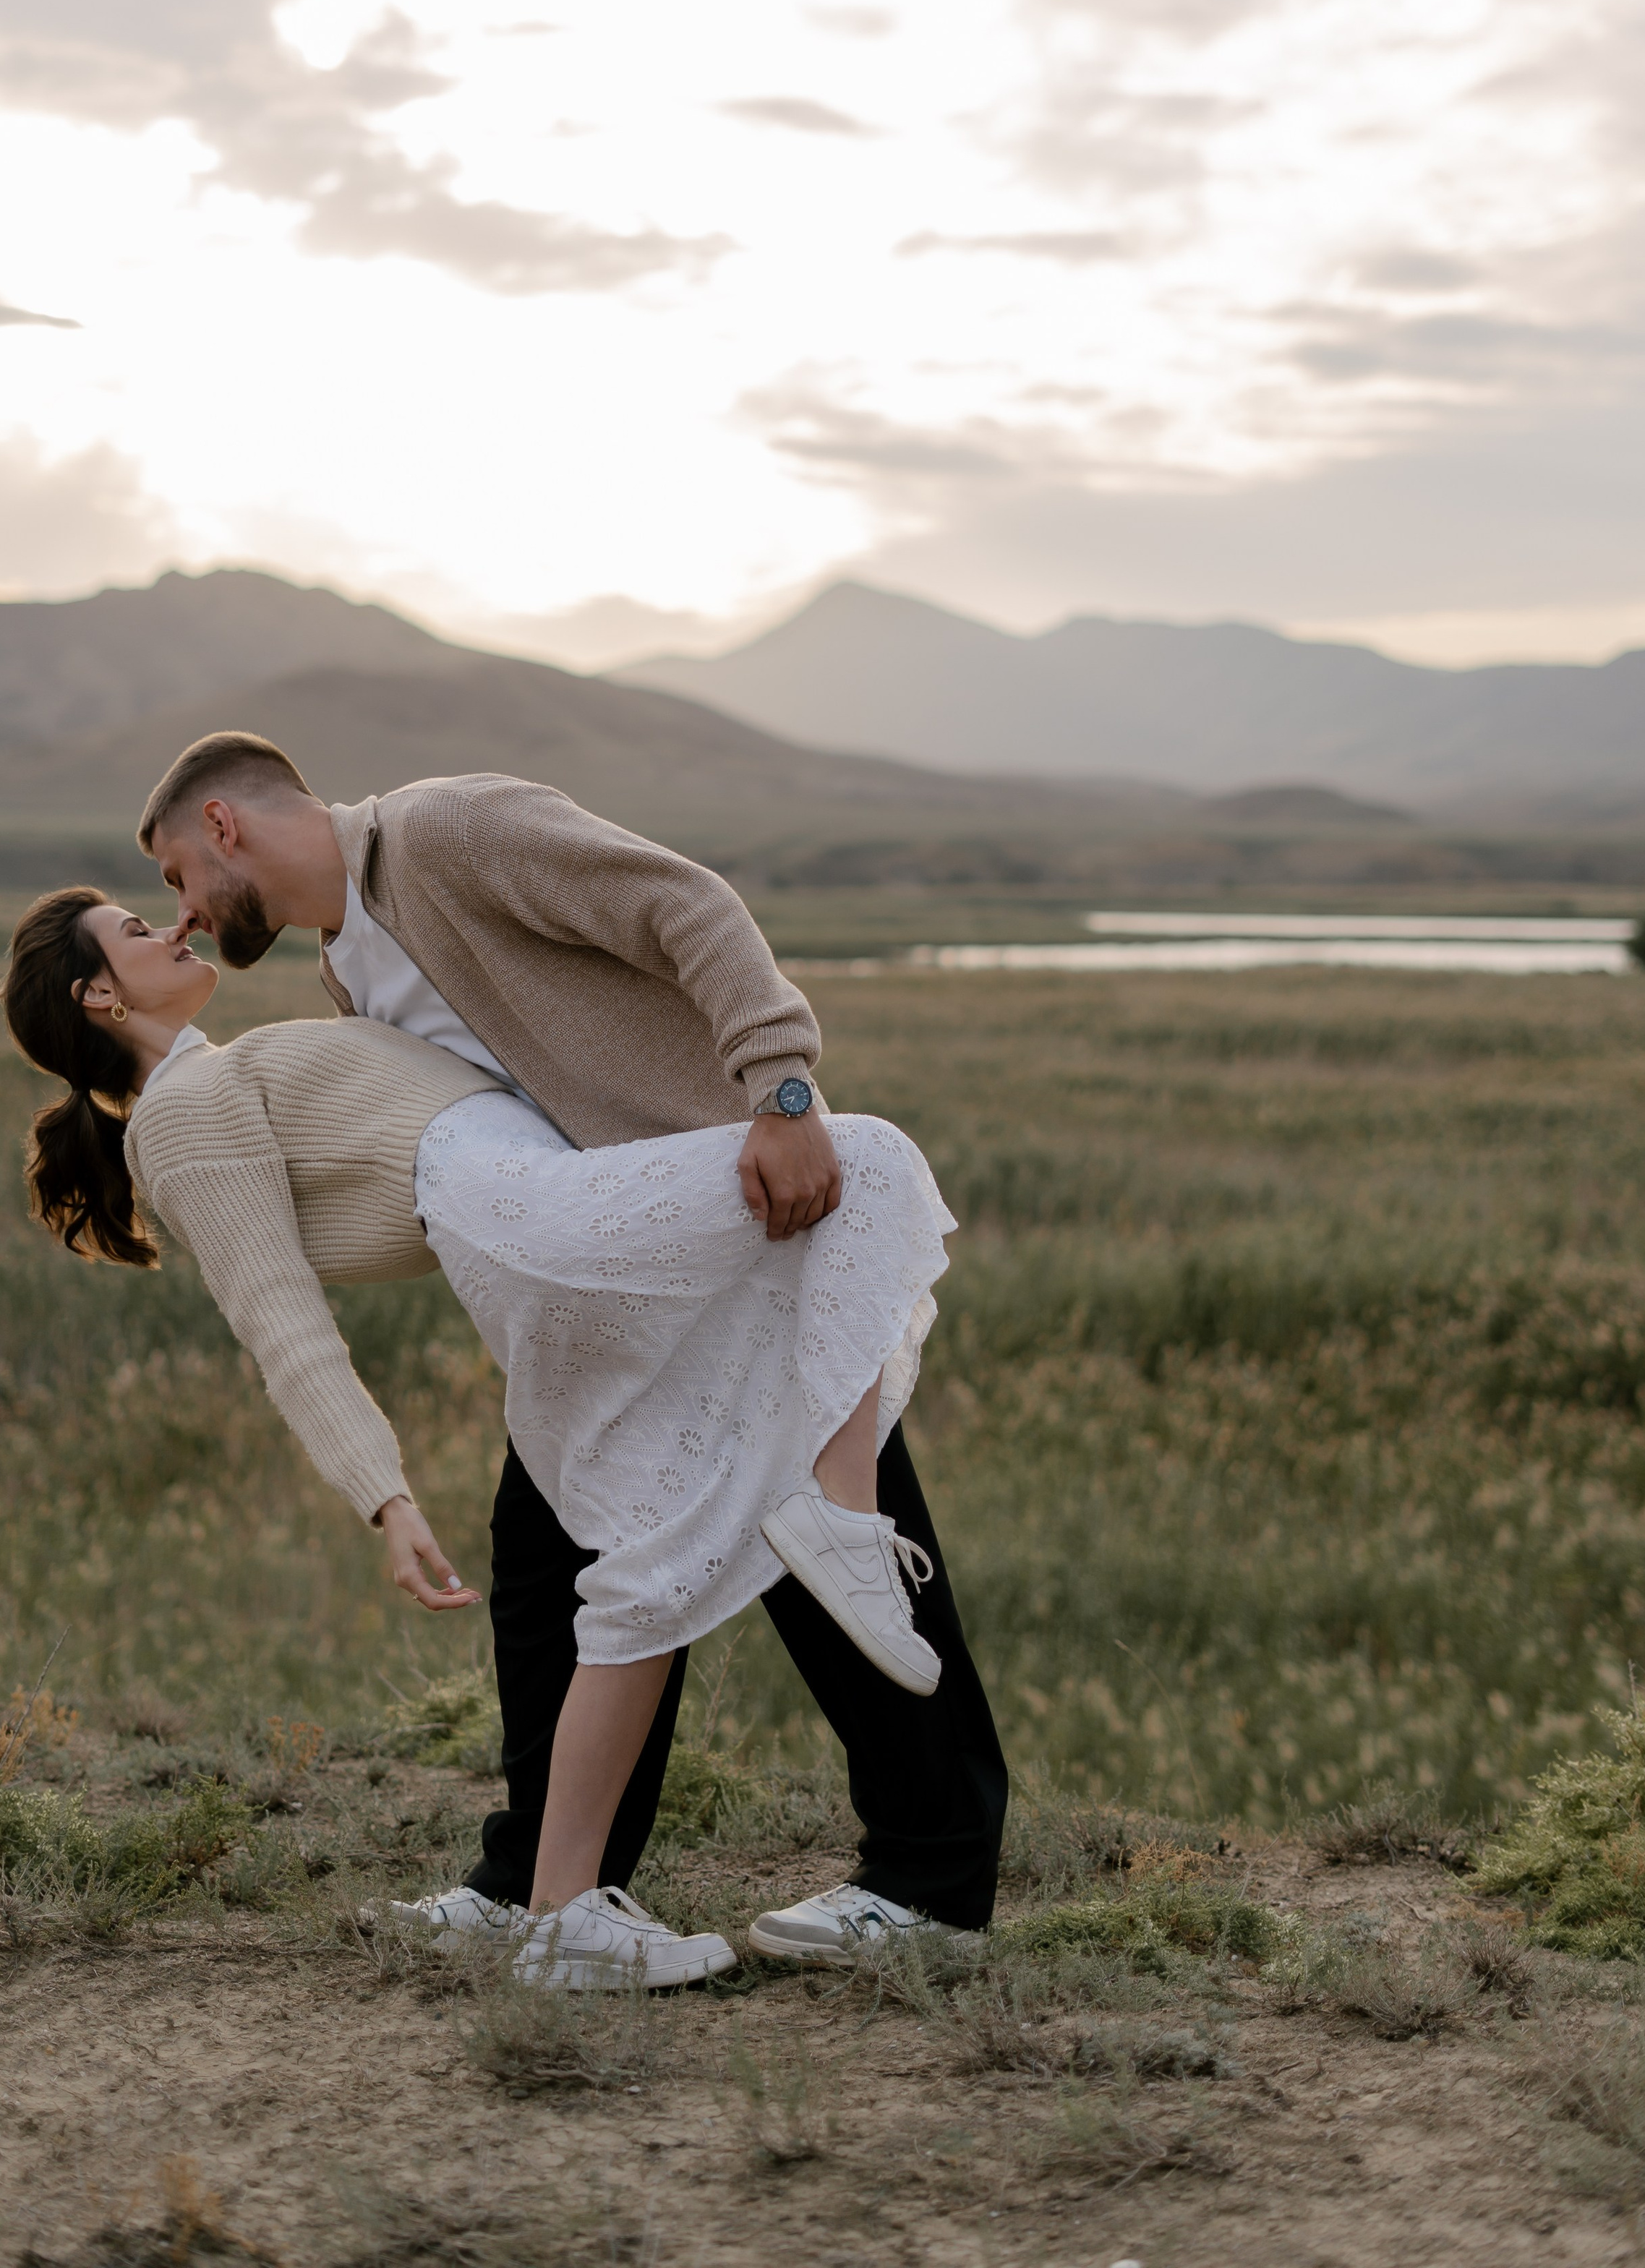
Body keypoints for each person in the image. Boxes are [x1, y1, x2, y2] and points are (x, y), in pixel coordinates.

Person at [137, 729, 1009, 1965]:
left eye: (177, 876)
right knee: (549, 1567)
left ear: (223, 826)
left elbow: (683, 903)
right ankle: (545, 1887)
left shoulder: (443, 834)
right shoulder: (350, 967)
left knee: (830, 1539)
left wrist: (781, 1090)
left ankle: (931, 1882)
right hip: (618, 1287)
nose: (181, 916)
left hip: (738, 1221)